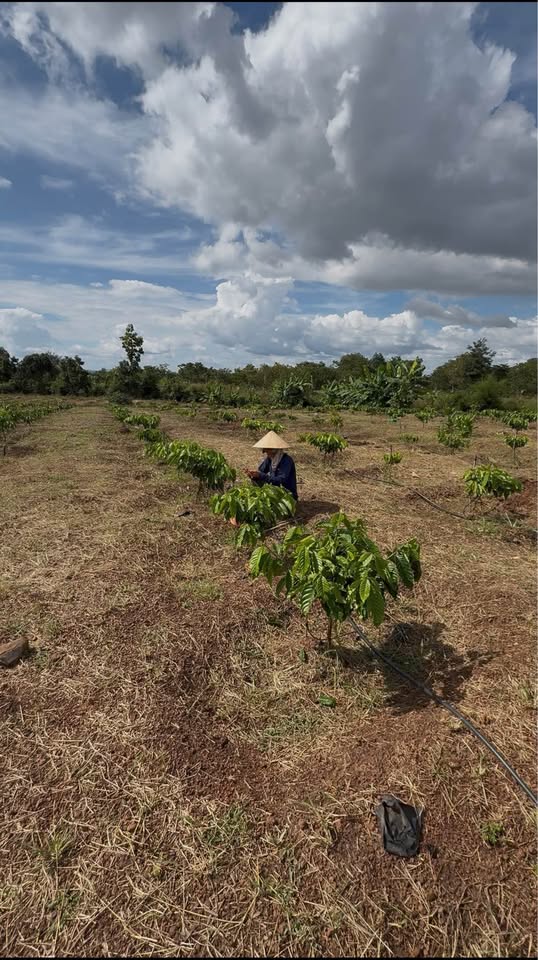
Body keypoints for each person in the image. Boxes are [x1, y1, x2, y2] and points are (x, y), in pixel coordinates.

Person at [246, 430, 298, 500]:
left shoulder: (286, 460)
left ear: (274, 450)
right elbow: (261, 471)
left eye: (267, 450)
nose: (266, 453)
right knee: (257, 481)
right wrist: (253, 475)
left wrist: (261, 475)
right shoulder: (270, 459)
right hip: (274, 490)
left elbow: (281, 480)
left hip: (286, 493)